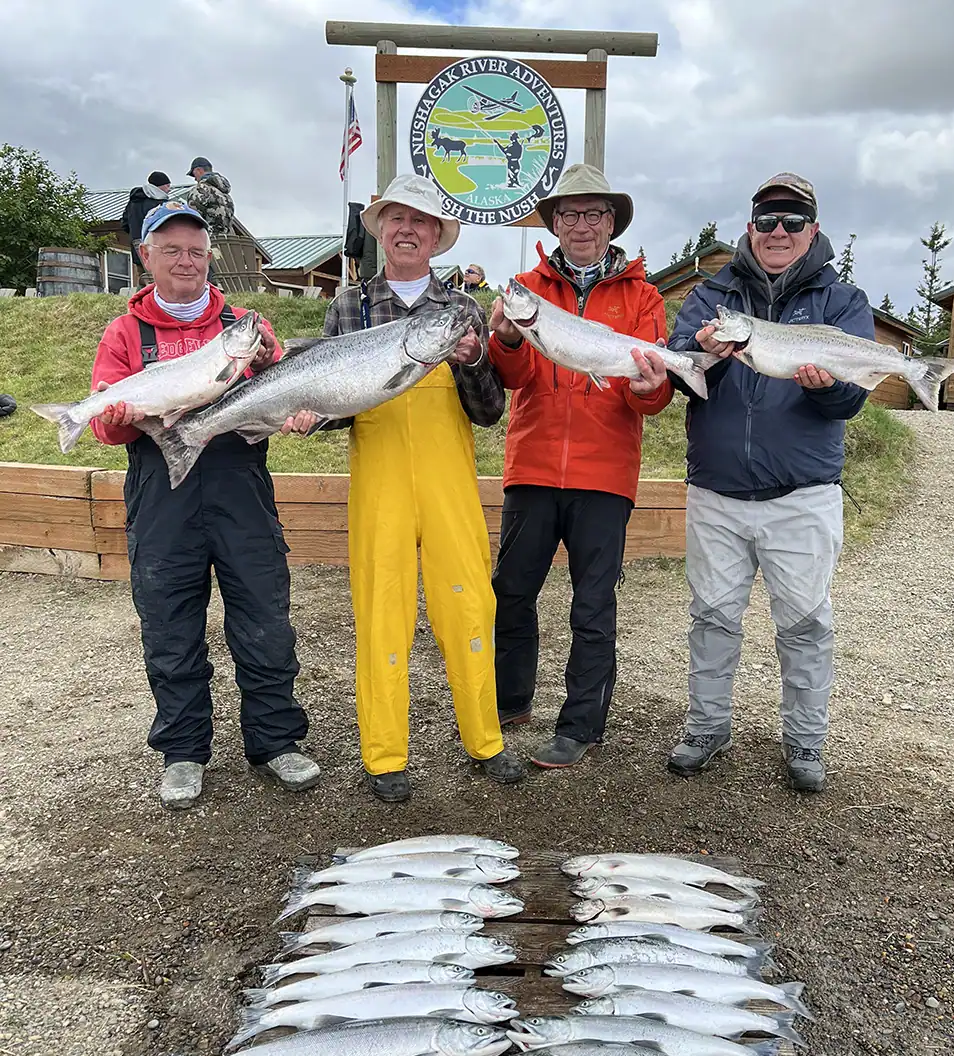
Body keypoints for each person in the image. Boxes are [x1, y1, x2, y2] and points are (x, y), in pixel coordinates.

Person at [88, 201, 320, 810]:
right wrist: (114, 418)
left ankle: (275, 742)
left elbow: (281, 391)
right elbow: (107, 432)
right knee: (169, 627)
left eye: (196, 250)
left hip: (239, 490)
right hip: (160, 495)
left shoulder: (247, 325)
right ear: (146, 258)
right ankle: (184, 751)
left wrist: (295, 411)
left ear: (209, 257)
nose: (185, 261)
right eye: (171, 250)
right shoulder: (123, 334)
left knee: (265, 622)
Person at [306, 174, 524, 804]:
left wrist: (473, 362)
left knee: (469, 603)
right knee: (382, 606)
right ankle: (384, 754)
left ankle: (485, 740)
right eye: (394, 219)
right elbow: (336, 405)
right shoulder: (350, 305)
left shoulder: (463, 307)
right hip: (378, 475)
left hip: (448, 474)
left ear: (436, 237)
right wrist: (310, 414)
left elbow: (488, 412)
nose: (406, 230)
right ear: (380, 232)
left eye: (420, 221)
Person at [666, 172, 876, 792]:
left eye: (791, 221)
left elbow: (848, 404)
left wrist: (830, 384)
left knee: (807, 622)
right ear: (751, 226)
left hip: (803, 495)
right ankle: (706, 727)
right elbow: (679, 372)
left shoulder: (843, 301)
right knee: (711, 616)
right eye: (766, 220)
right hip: (717, 492)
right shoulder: (713, 296)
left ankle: (806, 742)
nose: (777, 232)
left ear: (812, 229)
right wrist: (703, 353)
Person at [488, 163, 674, 768]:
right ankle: (510, 698)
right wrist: (510, 341)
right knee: (512, 592)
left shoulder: (644, 296)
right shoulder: (525, 288)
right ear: (553, 223)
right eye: (569, 214)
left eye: (595, 214)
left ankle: (581, 724)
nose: (582, 225)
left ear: (612, 222)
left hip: (605, 474)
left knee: (593, 604)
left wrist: (649, 385)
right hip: (533, 465)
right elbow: (512, 378)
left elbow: (652, 397)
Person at [121, 171, 171, 270]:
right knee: (161, 280)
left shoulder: (133, 202)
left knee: (143, 279)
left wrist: (134, 234)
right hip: (158, 250)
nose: (169, 190)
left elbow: (124, 224)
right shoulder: (160, 204)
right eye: (167, 186)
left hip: (138, 249)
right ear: (159, 186)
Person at [186, 157, 235, 239]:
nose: (194, 179)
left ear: (199, 170)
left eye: (193, 174)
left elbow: (192, 221)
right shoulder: (225, 194)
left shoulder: (200, 190)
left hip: (209, 242)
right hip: (228, 242)